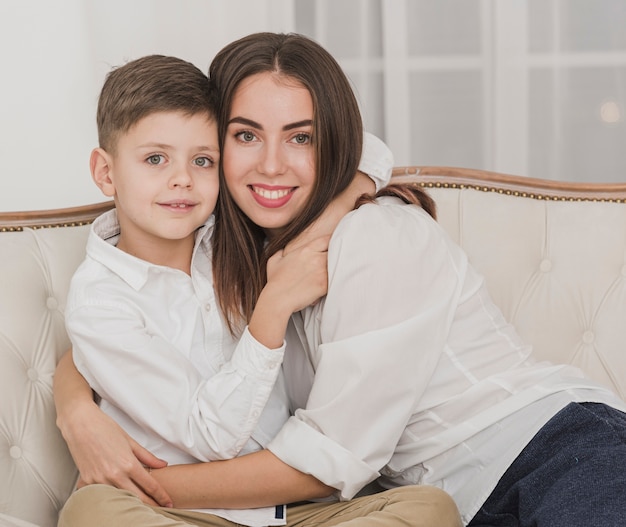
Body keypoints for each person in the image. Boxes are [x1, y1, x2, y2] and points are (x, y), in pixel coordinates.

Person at [55, 50, 460, 527]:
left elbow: (364, 150)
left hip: (299, 513)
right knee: (94, 511)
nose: (182, 179)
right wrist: (274, 305)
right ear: (106, 173)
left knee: (430, 508)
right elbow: (209, 434)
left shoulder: (233, 232)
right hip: (183, 513)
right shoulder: (101, 300)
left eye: (202, 160)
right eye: (155, 159)